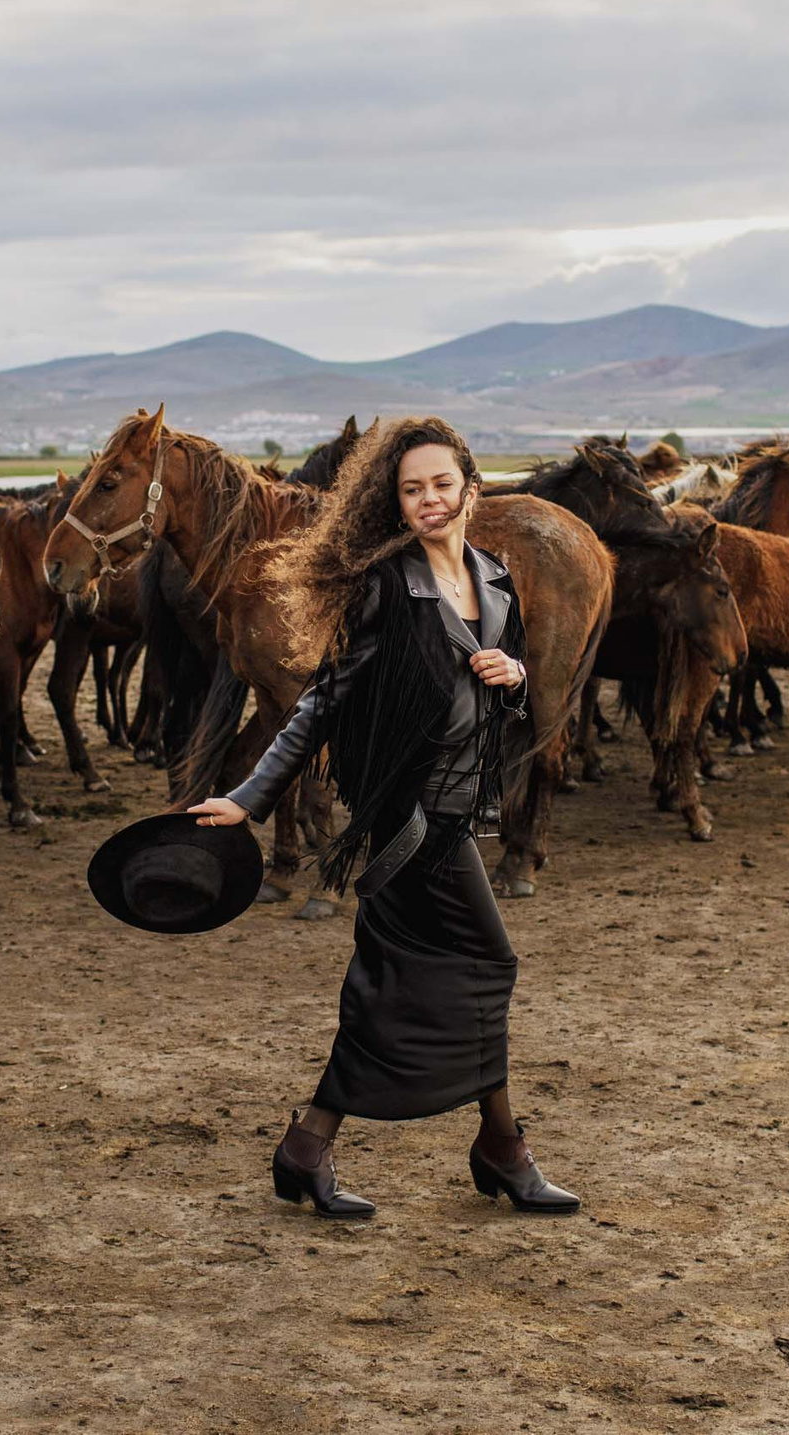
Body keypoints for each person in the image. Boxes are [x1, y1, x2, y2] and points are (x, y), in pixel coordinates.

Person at [186, 416, 580, 1218]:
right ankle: (503, 1150)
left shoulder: (496, 580)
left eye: (442, 483)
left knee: (390, 983)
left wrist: (513, 673)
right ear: (396, 505)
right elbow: (321, 703)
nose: (429, 499)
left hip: (456, 814)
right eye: (411, 489)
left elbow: (490, 710)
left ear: (472, 488)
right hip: (407, 822)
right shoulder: (386, 588)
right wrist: (248, 798)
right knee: (484, 967)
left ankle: (311, 1146)